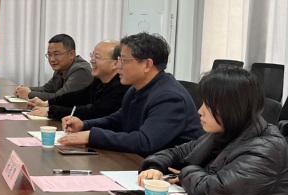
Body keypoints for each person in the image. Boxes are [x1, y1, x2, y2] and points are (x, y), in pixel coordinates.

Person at [138, 68, 288, 195]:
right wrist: (155, 167)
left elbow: (216, 190)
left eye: (208, 105)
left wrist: (185, 173)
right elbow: (177, 152)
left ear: (232, 108)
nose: (200, 111)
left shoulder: (267, 148)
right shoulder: (225, 132)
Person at [60, 32, 203, 155]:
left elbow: (145, 142)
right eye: (119, 59)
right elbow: (118, 120)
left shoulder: (170, 97)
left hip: (169, 172)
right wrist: (84, 125)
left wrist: (93, 136)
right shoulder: (136, 89)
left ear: (147, 65)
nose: (118, 65)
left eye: (124, 60)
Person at [27, 40, 129, 120]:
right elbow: (80, 96)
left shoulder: (122, 86)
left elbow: (93, 113)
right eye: (92, 56)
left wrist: (51, 111)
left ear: (115, 63)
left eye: (97, 57)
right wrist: (48, 103)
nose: (91, 61)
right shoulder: (99, 80)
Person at [14, 34, 92, 101]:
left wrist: (29, 94)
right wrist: (25, 89)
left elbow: (60, 98)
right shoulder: (61, 68)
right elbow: (46, 89)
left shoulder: (81, 70)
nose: (52, 59)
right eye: (49, 55)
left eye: (56, 54)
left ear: (71, 54)